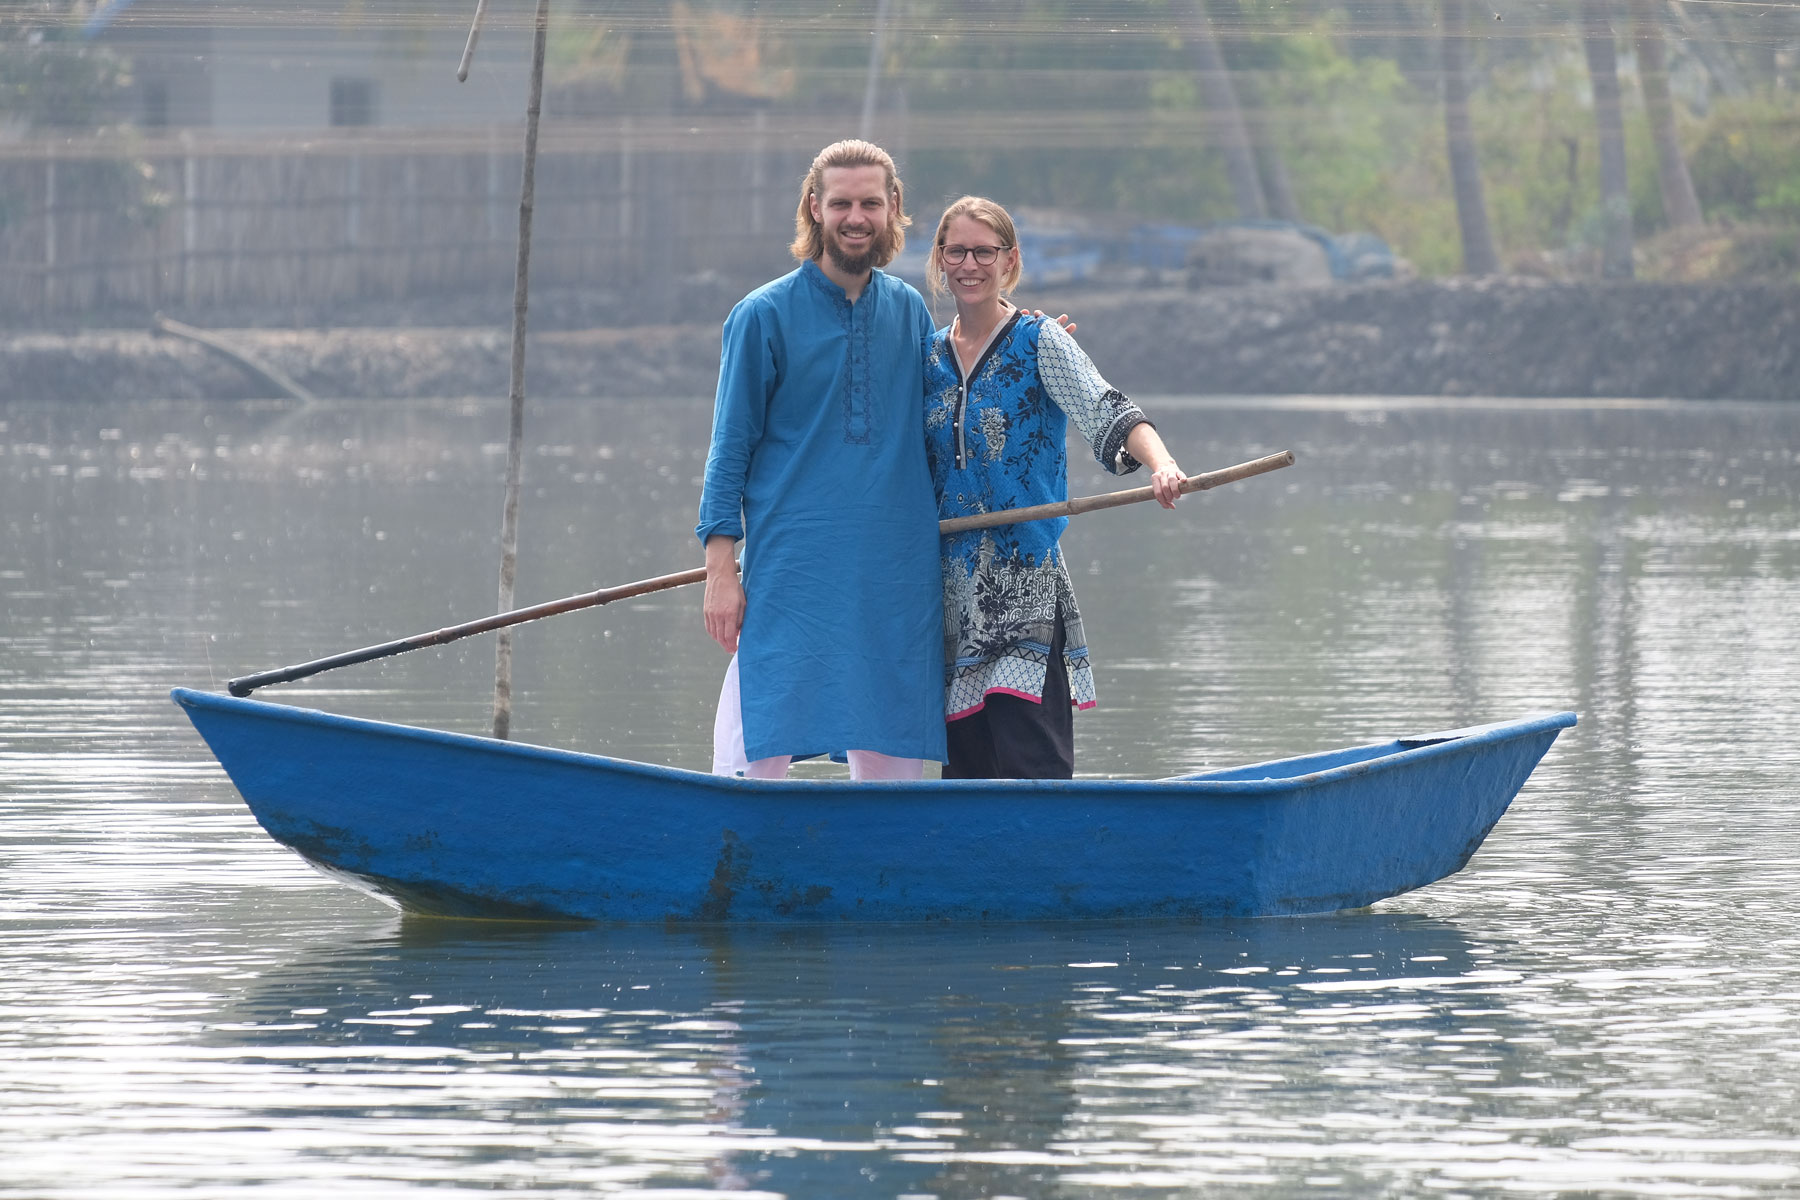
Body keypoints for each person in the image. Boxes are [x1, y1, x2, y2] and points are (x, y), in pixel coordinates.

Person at [696, 140, 945, 781]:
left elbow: (954, 410)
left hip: (894, 563)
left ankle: (882, 861)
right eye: (841, 203)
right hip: (792, 560)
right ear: (814, 207)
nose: (855, 217)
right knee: (761, 727)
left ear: (893, 209)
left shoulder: (910, 310)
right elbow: (729, 449)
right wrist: (721, 569)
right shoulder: (762, 315)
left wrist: (1025, 343)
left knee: (888, 721)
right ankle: (734, 849)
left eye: (870, 203)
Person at [923, 196, 1185, 780]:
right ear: (939, 259)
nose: (970, 264)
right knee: (965, 775)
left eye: (984, 252)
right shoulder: (927, 357)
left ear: (1009, 260)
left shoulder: (1041, 340)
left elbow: (1107, 407)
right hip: (950, 602)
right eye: (957, 251)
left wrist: (1161, 464)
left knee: (1030, 767)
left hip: (1026, 591)